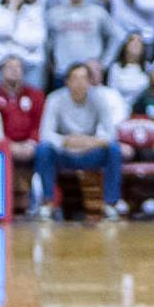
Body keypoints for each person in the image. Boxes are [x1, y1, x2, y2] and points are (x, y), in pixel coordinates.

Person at [32, 63, 125, 219]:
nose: (80, 83)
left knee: (114, 150)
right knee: (43, 149)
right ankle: (48, 202)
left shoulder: (100, 98)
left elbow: (110, 134)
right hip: (64, 151)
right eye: (75, 78)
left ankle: (111, 204)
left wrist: (89, 142)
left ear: (90, 82)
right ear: (67, 81)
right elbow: (45, 134)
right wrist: (66, 141)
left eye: (84, 78)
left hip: (90, 151)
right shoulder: (55, 98)